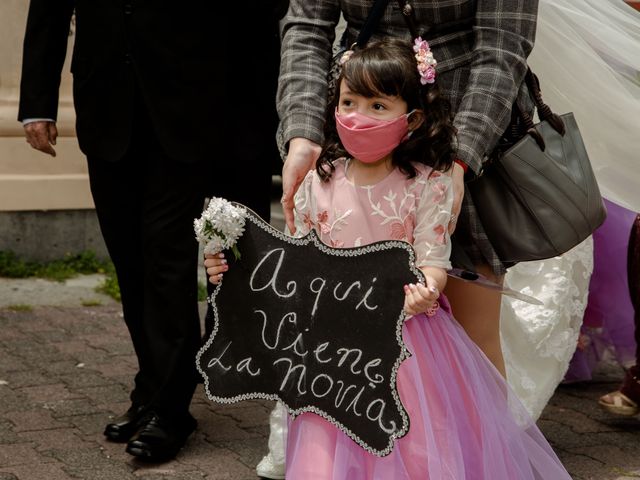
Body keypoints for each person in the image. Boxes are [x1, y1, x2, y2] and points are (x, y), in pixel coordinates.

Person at [208, 38, 570, 479]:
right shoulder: (318, 182)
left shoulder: (427, 185)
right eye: (349, 102)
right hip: (329, 350)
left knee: (412, 445)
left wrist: (428, 287)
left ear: (412, 118)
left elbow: (434, 258)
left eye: (378, 106)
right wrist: (231, 268)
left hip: (406, 343)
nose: (359, 117)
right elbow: (293, 263)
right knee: (327, 446)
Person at [18, 0, 286, 462]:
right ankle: (151, 385)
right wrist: (37, 102)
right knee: (130, 259)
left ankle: (170, 409)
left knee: (165, 258)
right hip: (105, 100)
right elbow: (49, 7)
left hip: (188, 104)